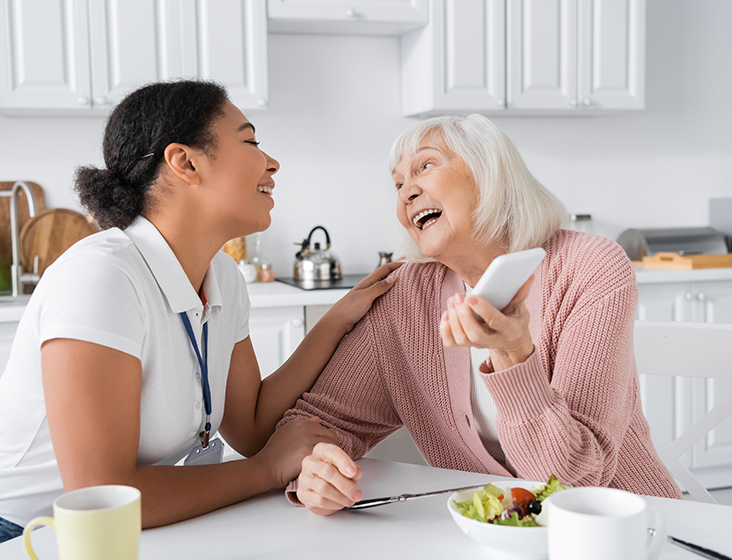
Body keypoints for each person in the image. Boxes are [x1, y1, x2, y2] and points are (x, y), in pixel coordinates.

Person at [0, 80, 401, 558]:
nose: (271, 162)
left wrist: (337, 319)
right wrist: (266, 470)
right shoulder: (102, 276)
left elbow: (253, 424)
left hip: (118, 538)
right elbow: (102, 493)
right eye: (251, 141)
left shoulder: (221, 275)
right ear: (186, 162)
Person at [279, 114, 682, 515]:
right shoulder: (405, 296)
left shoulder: (589, 266)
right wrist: (315, 472)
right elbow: (318, 422)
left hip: (626, 530)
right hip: (491, 538)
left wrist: (513, 356)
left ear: (489, 174)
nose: (406, 193)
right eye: (398, 183)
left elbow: (572, 483)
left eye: (426, 165)